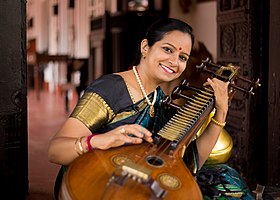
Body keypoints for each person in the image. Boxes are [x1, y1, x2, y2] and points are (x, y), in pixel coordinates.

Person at [48, 18, 252, 199]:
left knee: (228, 183)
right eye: (167, 49)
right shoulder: (110, 89)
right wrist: (101, 140)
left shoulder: (159, 99)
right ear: (145, 47)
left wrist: (221, 112)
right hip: (94, 183)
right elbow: (55, 151)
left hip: (140, 185)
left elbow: (190, 162)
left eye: (183, 58)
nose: (174, 61)